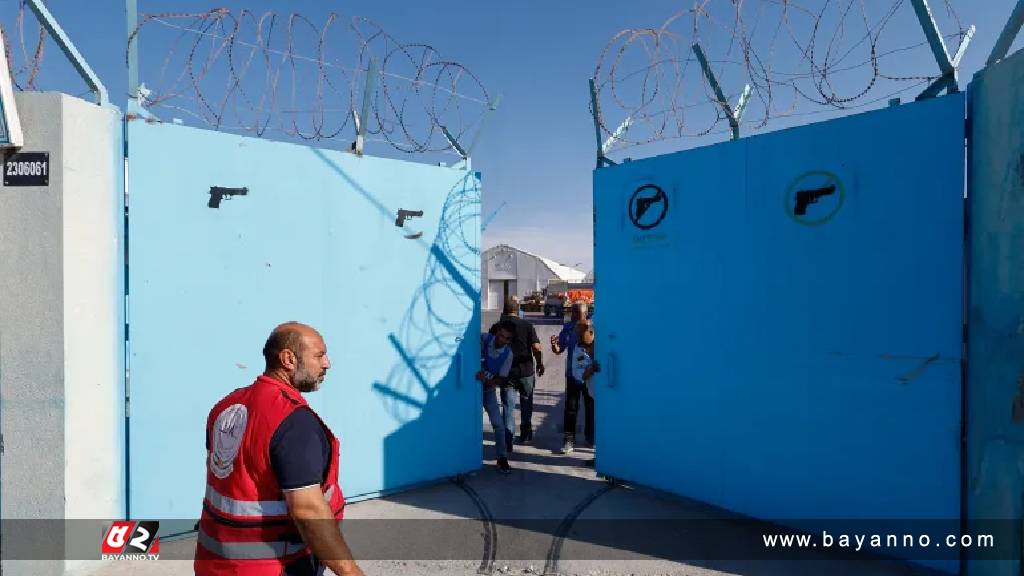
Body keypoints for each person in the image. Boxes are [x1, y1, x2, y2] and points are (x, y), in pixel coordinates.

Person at [195, 322, 364, 576]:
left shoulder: (227, 406)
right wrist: (351, 572)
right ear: (288, 359)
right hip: (273, 567)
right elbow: (308, 511)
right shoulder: (293, 423)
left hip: (214, 562)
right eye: (319, 356)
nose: (327, 363)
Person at [489, 297, 545, 445]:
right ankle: (526, 435)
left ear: (505, 311)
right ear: (517, 309)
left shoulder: (498, 328)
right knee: (526, 404)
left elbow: (489, 348)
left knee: (508, 407)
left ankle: (508, 440)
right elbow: (536, 348)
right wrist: (540, 363)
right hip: (526, 372)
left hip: (507, 374)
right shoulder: (527, 325)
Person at [550, 302, 594, 454]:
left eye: (577, 312)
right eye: (573, 312)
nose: (574, 315)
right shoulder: (568, 328)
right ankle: (568, 440)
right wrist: (554, 346)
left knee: (591, 407)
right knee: (571, 409)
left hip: (590, 376)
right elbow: (559, 349)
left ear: (586, 313)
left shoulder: (593, 327)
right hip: (572, 375)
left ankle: (591, 438)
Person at [478, 321, 515, 474]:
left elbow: (501, 379)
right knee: (469, 423)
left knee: (499, 424)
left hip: (487, 390)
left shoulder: (508, 355)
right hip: (470, 391)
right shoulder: (484, 339)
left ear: (509, 340)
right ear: (497, 332)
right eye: (500, 335)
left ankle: (502, 458)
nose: (501, 340)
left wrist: (487, 381)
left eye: (506, 338)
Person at [570, 323, 600, 466]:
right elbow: (577, 374)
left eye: (582, 337)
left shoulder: (603, 344)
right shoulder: (578, 349)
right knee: (597, 424)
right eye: (578, 337)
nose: (579, 340)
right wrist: (590, 370)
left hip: (611, 395)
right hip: (594, 393)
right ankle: (600, 457)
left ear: (591, 332)